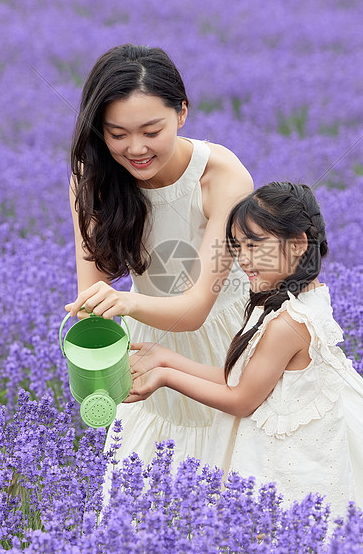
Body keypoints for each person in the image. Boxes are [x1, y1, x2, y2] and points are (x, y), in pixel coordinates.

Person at [125, 182, 363, 528]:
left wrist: (166, 377)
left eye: (254, 245)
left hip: (294, 454)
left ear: (297, 244)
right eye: (237, 247)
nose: (242, 259)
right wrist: (164, 357)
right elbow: (241, 378)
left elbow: (242, 399)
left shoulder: (288, 323)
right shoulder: (300, 301)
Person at [65, 44, 253, 466]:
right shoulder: (91, 178)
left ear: (182, 113)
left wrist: (127, 302)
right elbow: (91, 293)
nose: (135, 148)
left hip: (230, 343)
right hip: (150, 343)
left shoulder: (221, 177)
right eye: (117, 134)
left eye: (152, 132)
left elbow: (198, 308)